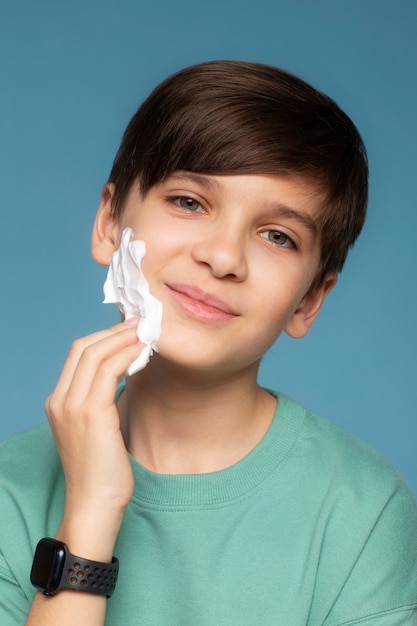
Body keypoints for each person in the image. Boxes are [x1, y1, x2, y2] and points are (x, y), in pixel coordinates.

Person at [1, 60, 416, 626]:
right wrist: (91, 511)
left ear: (309, 301)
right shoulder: (11, 491)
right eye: (189, 202)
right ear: (108, 221)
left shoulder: (363, 511)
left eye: (278, 236)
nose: (222, 257)